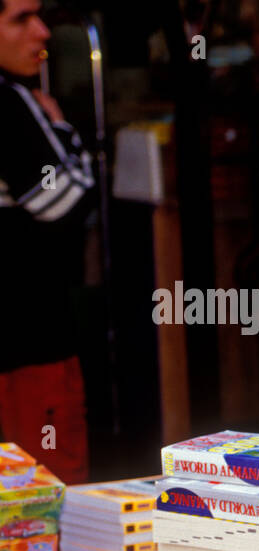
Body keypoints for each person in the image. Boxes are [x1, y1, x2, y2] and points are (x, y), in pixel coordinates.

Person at [0, 0, 94, 483]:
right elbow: (65, 202)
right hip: (28, 343)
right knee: (46, 498)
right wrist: (60, 128)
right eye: (21, 18)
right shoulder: (9, 102)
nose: (42, 33)